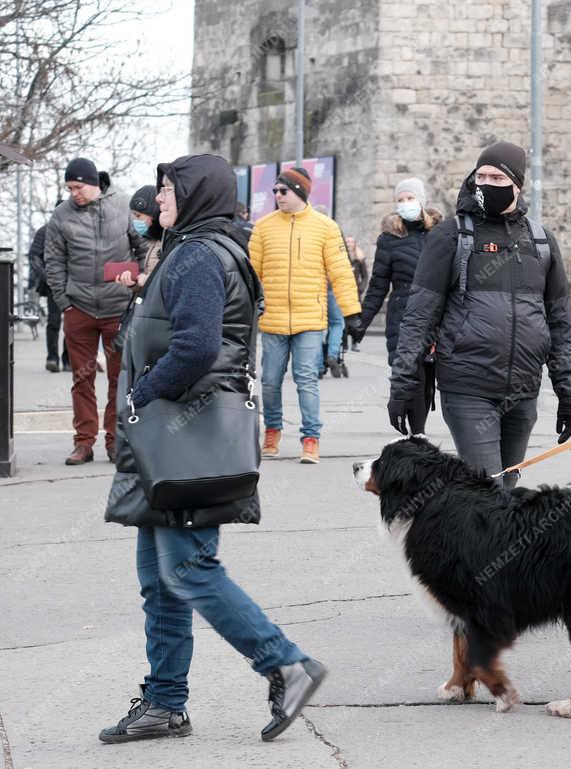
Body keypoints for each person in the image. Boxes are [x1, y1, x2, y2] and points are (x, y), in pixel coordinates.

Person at [101, 153, 327, 745]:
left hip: (182, 434)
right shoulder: (195, 247)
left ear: (197, 194)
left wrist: (141, 396)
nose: (161, 199)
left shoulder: (199, 255)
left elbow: (198, 347)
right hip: (171, 437)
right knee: (161, 576)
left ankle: (285, 664)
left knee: (189, 570)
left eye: (169, 189)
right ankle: (164, 702)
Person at [388, 141, 571, 484]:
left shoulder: (541, 241)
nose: (487, 184)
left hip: (523, 390)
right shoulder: (451, 236)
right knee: (490, 491)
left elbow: (560, 322)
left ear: (517, 184)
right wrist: (403, 385)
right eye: (481, 176)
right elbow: (419, 316)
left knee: (505, 493)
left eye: (496, 176)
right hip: (468, 387)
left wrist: (568, 391)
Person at [249, 166, 363, 463]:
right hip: (273, 319)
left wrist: (352, 313)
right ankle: (272, 430)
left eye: (283, 190)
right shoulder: (263, 227)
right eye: (274, 191)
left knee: (306, 380)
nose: (277, 195)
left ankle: (311, 438)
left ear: (299, 193)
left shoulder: (325, 227)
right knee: (271, 380)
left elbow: (340, 272)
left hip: (310, 320)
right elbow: (251, 274)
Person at [44, 157, 141, 465]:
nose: (74, 193)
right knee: (81, 379)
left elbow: (143, 247)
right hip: (79, 309)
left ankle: (115, 441)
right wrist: (65, 303)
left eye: (78, 186)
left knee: (118, 378)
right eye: (69, 187)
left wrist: (136, 286)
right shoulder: (61, 215)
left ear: (94, 183)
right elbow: (54, 261)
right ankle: (84, 442)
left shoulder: (123, 206)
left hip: (118, 309)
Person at [360, 178, 443, 433]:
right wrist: (360, 321)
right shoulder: (389, 239)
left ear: (421, 201)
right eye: (400, 200)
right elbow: (378, 285)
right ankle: (415, 434)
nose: (405, 204)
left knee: (428, 376)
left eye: (410, 198)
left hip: (436, 316)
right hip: (403, 316)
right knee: (408, 376)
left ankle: (419, 432)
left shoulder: (440, 233)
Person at [28, 218, 70, 372]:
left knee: (73, 323)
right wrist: (47, 277)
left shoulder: (79, 230)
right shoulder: (45, 231)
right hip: (54, 284)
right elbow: (34, 257)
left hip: (75, 283)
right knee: (54, 321)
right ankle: (52, 358)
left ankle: (68, 360)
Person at [115, 185, 164, 292]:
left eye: (138, 216)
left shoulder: (168, 242)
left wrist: (148, 280)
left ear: (154, 214)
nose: (135, 221)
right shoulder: (153, 241)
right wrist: (134, 284)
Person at [343, 236, 368, 352]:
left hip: (355, 293)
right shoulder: (342, 257)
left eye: (351, 242)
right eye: (347, 242)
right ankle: (344, 344)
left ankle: (355, 343)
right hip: (344, 291)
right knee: (344, 319)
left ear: (355, 244)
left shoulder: (359, 258)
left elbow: (365, 276)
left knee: (356, 319)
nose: (349, 244)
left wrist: (361, 288)